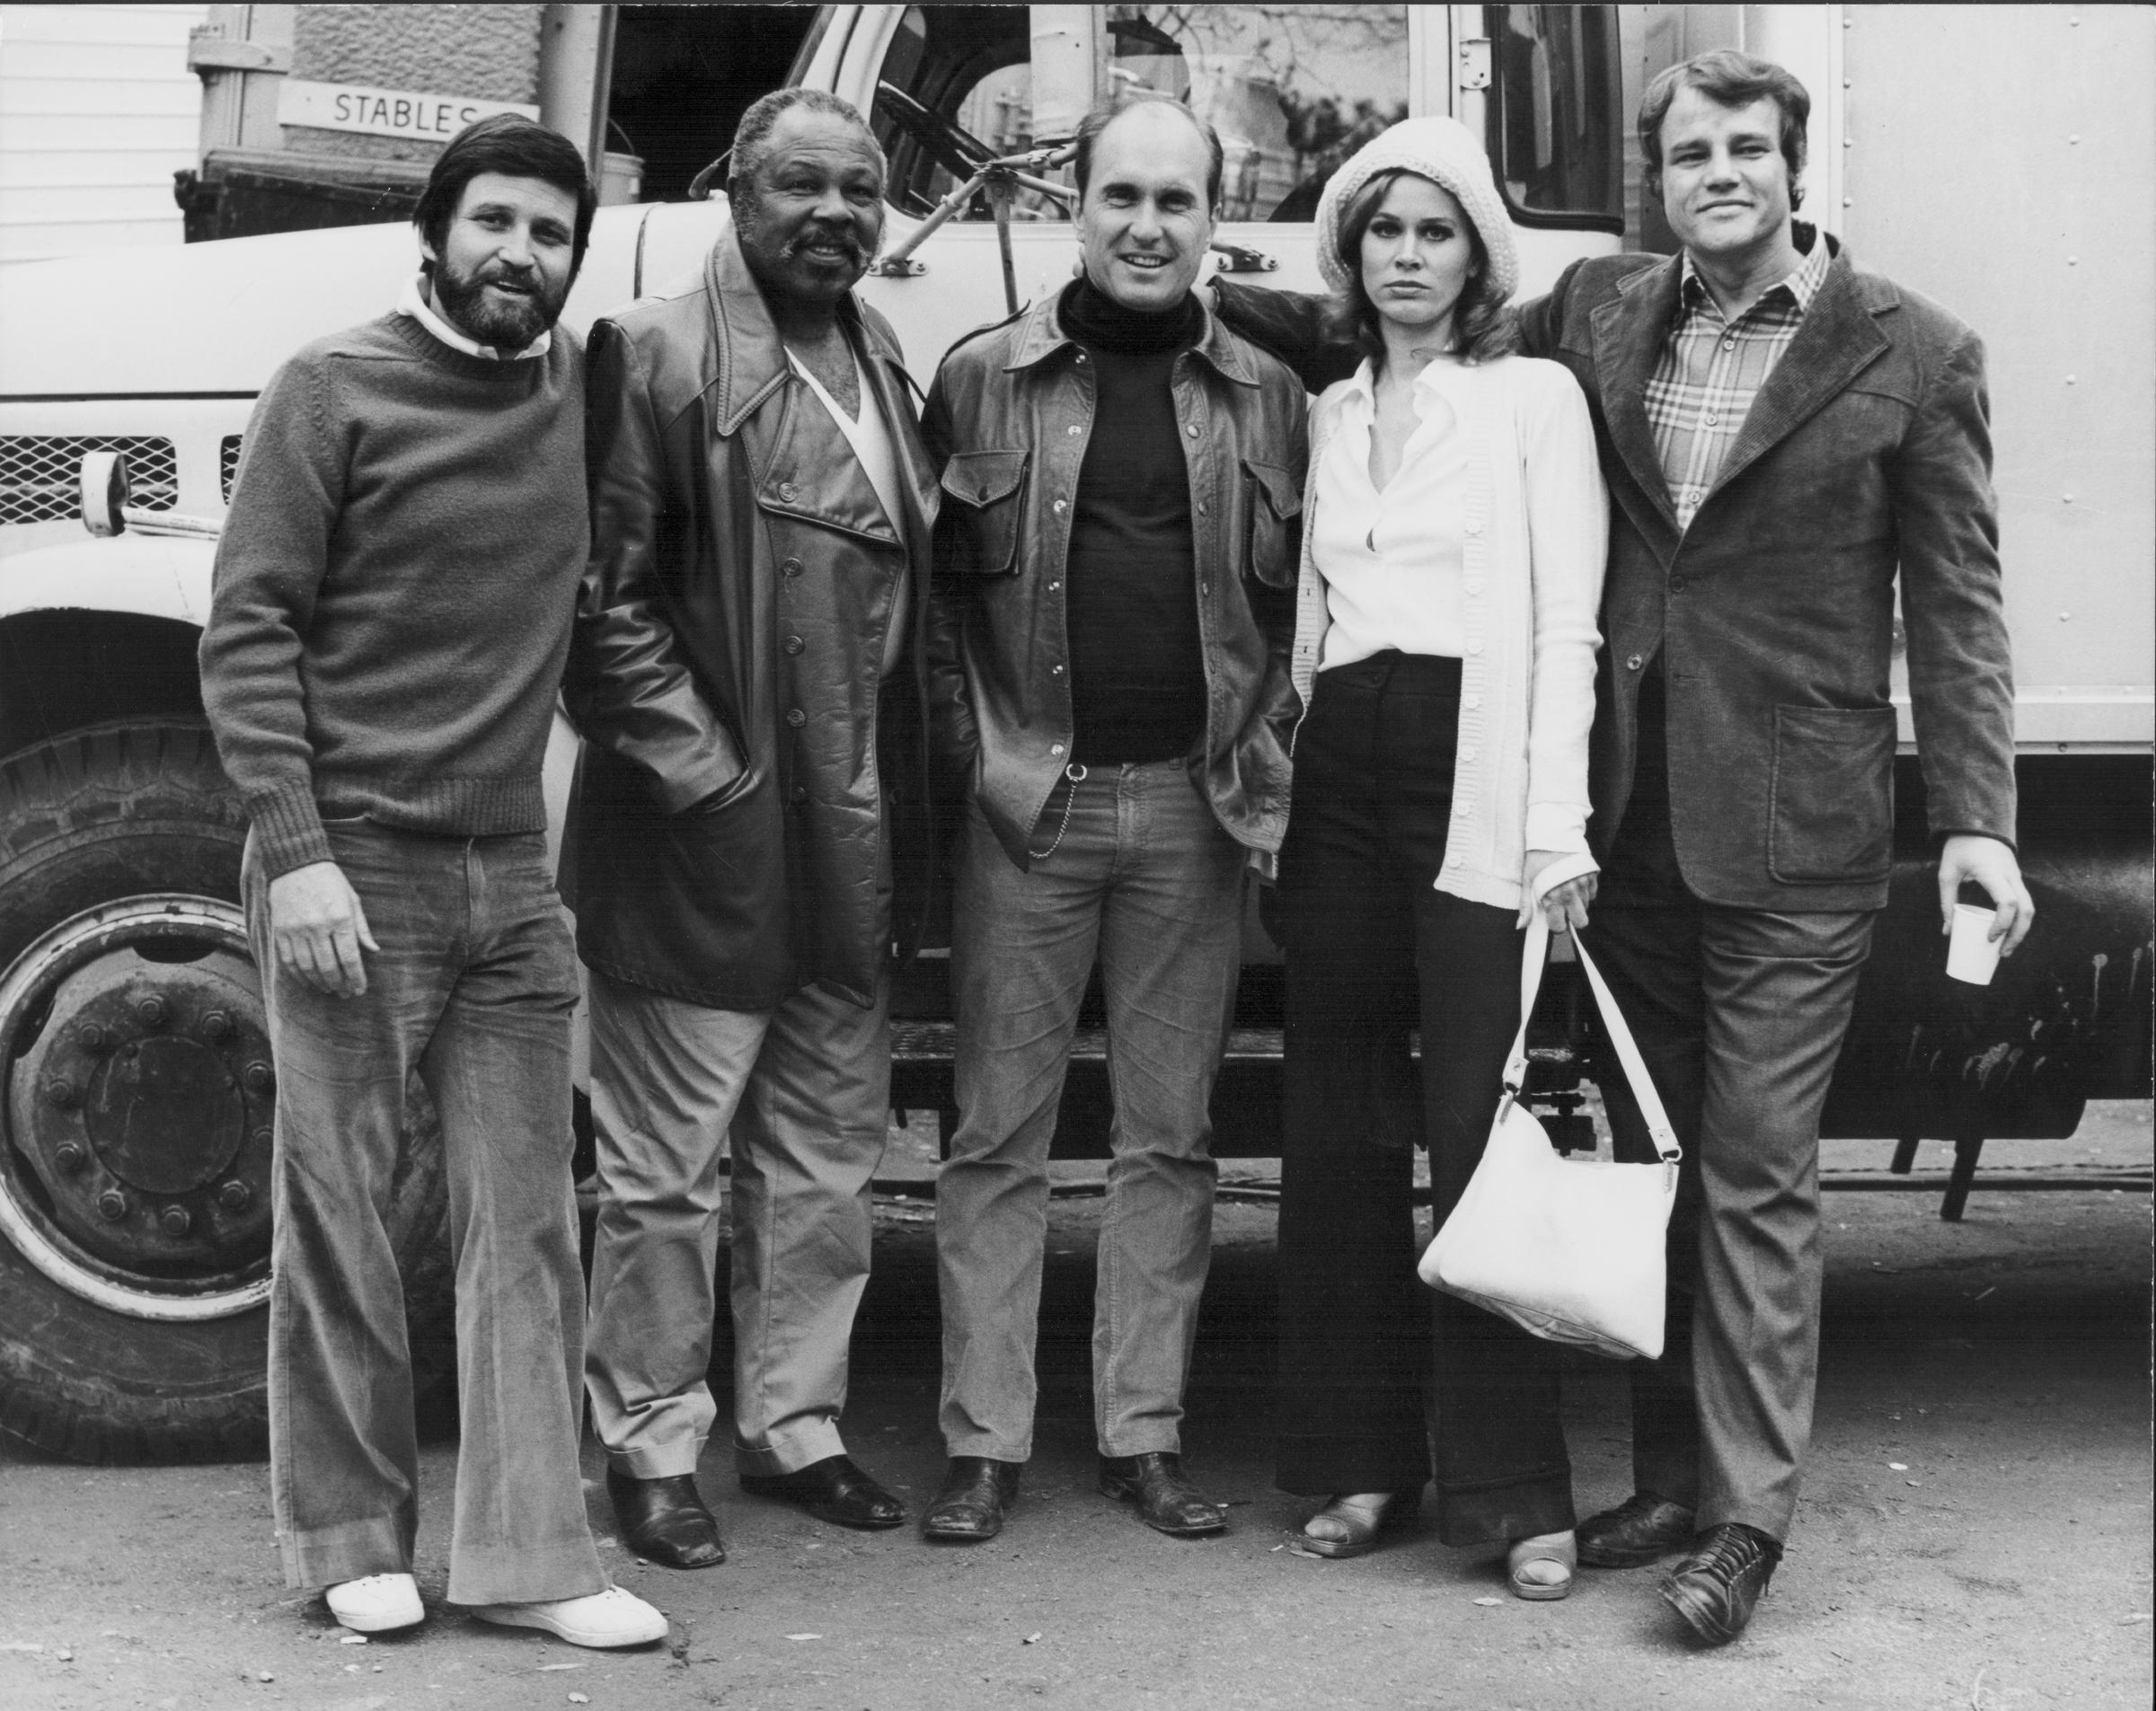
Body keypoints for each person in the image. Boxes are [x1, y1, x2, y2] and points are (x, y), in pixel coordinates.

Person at [1215, 52, 2030, 1645]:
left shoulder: (1915, 352)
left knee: (1754, 1172)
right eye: (1689, 153)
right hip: (1631, 824)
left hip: (1795, 829)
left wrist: (1978, 823)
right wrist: (1196, 287)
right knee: (1633, 1164)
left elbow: (1959, 606)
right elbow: (1412, 313)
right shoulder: (1600, 311)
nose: (1718, 173)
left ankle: (1743, 1521)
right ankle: (1663, 1477)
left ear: (1796, 165)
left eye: (1746, 148)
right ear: (1656, 183)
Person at [199, 115, 666, 1649]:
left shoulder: (576, 391)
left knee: (526, 1220)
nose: (521, 254)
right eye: (495, 223)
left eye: (551, 233)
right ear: (436, 232)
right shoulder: (331, 386)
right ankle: (348, 1537)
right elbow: (249, 630)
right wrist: (297, 856)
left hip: (509, 875)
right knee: (339, 1207)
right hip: (352, 864)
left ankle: (534, 1557)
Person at [918, 93, 1307, 1546]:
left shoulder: (1271, 395)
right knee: (995, 1135)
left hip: (1194, 816)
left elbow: (1307, 614)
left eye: (1177, 200)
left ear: (1217, 220)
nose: (1148, 227)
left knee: (1170, 1138)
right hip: (1030, 811)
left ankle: (1144, 1434)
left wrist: (1259, 760)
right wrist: (976, 763)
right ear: (1074, 207)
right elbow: (931, 615)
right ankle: (984, 1441)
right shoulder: (982, 378)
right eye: (1121, 196)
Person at [566, 87, 937, 1568]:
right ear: (737, 193)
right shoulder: (653, 352)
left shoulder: (881, 353)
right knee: (665, 1173)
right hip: (704, 838)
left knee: (822, 1159)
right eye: (801, 185)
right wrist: (710, 781)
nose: (834, 213)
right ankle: (652, 1442)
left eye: (861, 191)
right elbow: (601, 607)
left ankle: (797, 1424)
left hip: (849, 834)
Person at [1257, 118, 1605, 1601]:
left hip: (1478, 771)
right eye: (1383, 231)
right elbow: (1315, 622)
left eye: (1435, 231)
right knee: (1336, 1121)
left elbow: (1567, 623)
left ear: (1478, 255)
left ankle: (1516, 1492)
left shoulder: (1532, 400)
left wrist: (1555, 827)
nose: (1406, 256)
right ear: (1350, 254)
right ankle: (1363, 1460)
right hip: (1340, 767)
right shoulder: (1329, 410)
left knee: (1479, 1125)